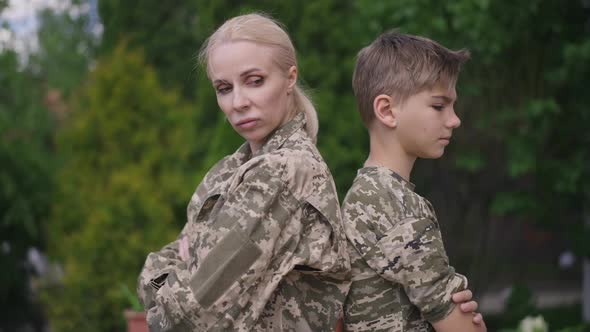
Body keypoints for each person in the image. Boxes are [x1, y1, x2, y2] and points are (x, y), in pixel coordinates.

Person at [136, 13, 351, 331]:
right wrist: (184, 268)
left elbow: (190, 316)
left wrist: (173, 271)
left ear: (290, 78)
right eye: (224, 88)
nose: (238, 102)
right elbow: (185, 277)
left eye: (255, 81)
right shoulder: (230, 169)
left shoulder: (281, 171)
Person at [341, 31, 487, 331]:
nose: (454, 119)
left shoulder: (377, 192)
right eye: (439, 106)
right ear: (386, 110)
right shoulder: (387, 200)